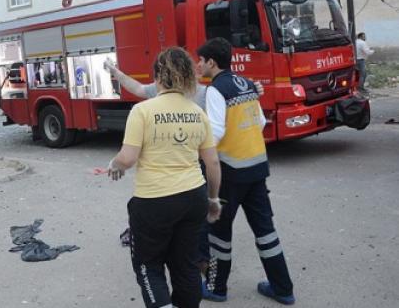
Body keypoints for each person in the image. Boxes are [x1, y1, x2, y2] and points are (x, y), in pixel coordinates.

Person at [104, 52, 265, 273]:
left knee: (183, 228)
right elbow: (138, 88)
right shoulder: (179, 91)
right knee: (192, 222)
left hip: (173, 174)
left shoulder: (207, 93)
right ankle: (195, 264)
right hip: (195, 173)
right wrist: (116, 72)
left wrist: (255, 87)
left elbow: (127, 154)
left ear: (162, 75)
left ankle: (198, 262)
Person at [107, 47, 222, 308]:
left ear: (158, 76)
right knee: (186, 266)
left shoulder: (143, 111)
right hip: (194, 198)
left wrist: (114, 165)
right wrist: (213, 199)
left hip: (154, 202)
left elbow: (127, 158)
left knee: (149, 265)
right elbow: (212, 162)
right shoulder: (197, 112)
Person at [195, 38, 295, 305]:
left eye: (201, 61)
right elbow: (260, 121)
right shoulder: (246, 84)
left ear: (212, 62)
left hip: (230, 174)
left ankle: (216, 288)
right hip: (257, 169)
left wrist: (197, 154)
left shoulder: (216, 89)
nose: (198, 65)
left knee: (218, 234)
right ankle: (283, 288)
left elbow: (215, 132)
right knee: (266, 230)